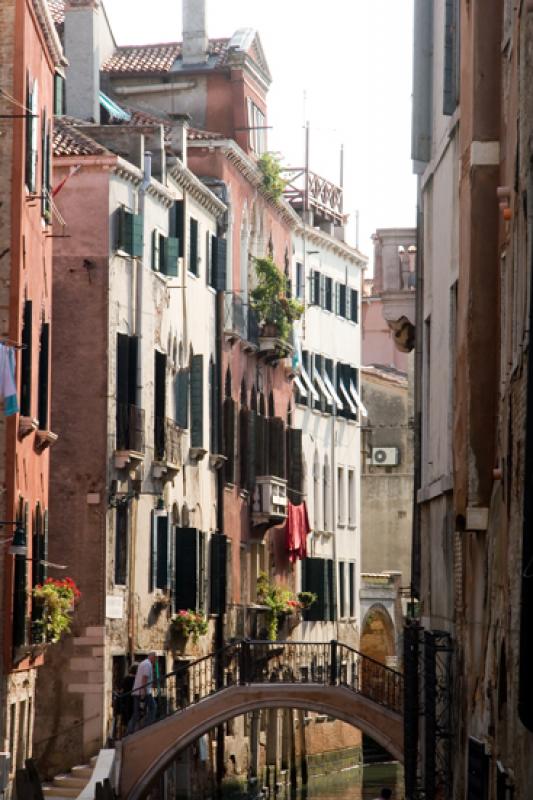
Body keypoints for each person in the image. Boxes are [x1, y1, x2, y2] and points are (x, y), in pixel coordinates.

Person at [129, 652, 157, 732]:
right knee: (153, 707)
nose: (155, 662)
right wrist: (143, 694)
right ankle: (148, 727)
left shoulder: (143, 663)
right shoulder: (147, 665)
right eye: (155, 659)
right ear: (153, 657)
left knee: (136, 714)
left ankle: (130, 731)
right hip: (143, 692)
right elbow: (144, 679)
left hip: (139, 692)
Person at [119, 663, 138, 735]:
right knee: (133, 715)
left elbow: (121, 689)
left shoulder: (125, 679)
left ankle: (125, 732)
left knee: (126, 717)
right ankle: (130, 732)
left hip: (125, 700)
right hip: (133, 699)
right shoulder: (136, 680)